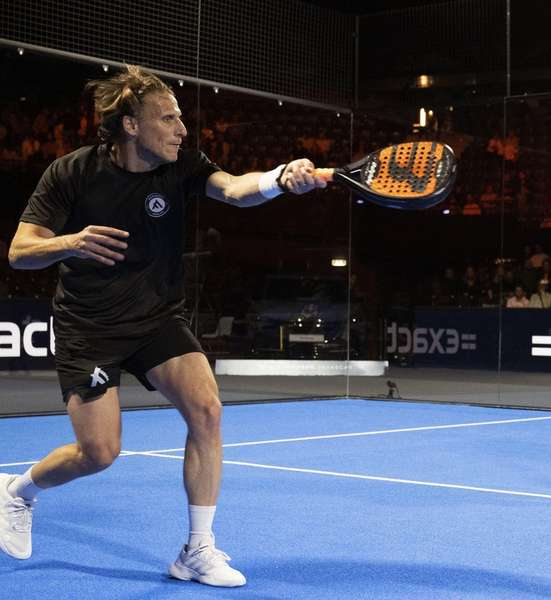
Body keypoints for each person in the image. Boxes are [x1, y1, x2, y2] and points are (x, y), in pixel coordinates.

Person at [1, 66, 327, 586]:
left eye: (181, 119)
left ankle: (197, 550)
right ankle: (17, 492)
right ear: (131, 125)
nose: (182, 129)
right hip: (91, 328)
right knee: (99, 454)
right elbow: (20, 251)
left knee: (207, 409)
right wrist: (70, 242)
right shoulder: (71, 173)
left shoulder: (183, 167)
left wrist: (280, 177)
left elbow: (236, 189)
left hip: (157, 319)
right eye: (169, 118)